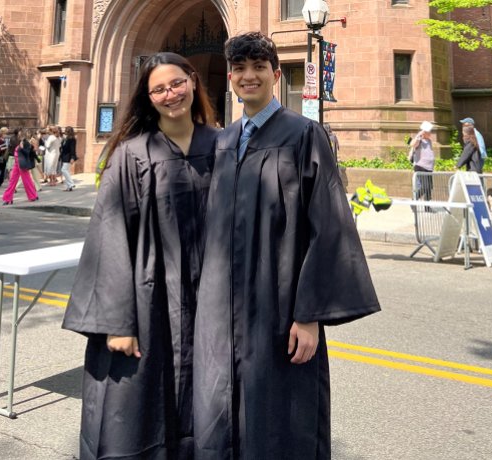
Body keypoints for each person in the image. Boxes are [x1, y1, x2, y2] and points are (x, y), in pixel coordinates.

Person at [193, 32, 380, 459]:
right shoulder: (222, 142)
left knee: (281, 417)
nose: (248, 76)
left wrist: (310, 315)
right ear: (230, 79)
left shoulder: (303, 135)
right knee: (224, 411)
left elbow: (328, 227)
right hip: (224, 310)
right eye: (239, 69)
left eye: (258, 67)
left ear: (276, 74)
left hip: (280, 309)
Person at [62, 52, 218, 460]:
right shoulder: (132, 156)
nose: (171, 94)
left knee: (208, 402)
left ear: (193, 82)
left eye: (176, 84)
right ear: (148, 98)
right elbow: (108, 239)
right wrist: (117, 322)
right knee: (140, 402)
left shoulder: (223, 147)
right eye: (159, 89)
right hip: (150, 300)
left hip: (211, 300)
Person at [1, 129, 39, 205]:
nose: (19, 135)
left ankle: (33, 196)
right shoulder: (20, 142)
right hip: (16, 164)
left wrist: (21, 148)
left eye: (20, 134)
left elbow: (27, 153)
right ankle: (8, 198)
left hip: (22, 165)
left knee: (27, 181)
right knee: (12, 181)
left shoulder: (26, 143)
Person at [408, 120, 435, 201]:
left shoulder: (429, 141)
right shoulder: (419, 139)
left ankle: (427, 207)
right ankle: (414, 200)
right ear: (424, 131)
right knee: (424, 186)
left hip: (429, 167)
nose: (430, 133)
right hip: (420, 166)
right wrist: (419, 135)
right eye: (429, 131)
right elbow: (412, 144)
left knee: (429, 188)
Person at [59, 126, 78, 191]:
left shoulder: (72, 139)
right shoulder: (65, 138)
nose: (64, 132)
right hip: (64, 156)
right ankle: (68, 187)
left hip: (68, 156)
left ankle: (71, 183)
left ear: (68, 131)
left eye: (66, 130)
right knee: (67, 171)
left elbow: (72, 149)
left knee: (63, 170)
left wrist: (72, 157)